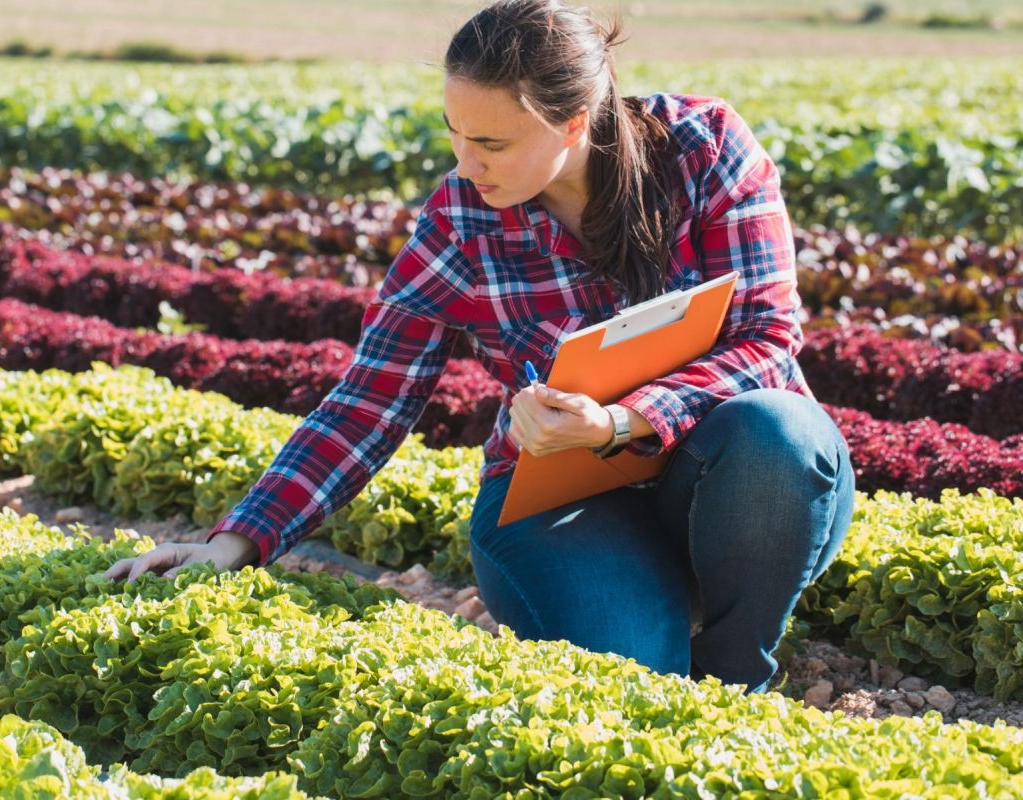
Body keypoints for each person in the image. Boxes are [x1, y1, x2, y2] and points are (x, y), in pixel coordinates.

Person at [103, 0, 854, 695]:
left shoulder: (704, 150)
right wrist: (236, 541)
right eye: (454, 134)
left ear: (573, 122)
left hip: (737, 480)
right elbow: (370, 399)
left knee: (777, 428)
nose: (465, 163)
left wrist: (619, 422)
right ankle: (644, 613)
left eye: (490, 141)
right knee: (635, 677)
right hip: (561, 500)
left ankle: (732, 675)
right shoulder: (461, 221)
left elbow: (765, 339)